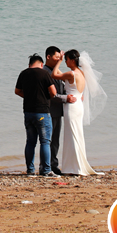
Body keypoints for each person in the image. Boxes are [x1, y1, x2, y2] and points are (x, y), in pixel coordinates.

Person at [51, 49, 107, 176]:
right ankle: (75, 166)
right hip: (78, 105)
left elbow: (54, 74)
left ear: (72, 60)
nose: (65, 61)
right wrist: (60, 63)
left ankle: (74, 167)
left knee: (72, 135)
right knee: (76, 134)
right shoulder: (80, 72)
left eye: (66, 59)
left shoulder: (71, 74)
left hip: (71, 106)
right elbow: (62, 75)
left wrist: (58, 62)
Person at [14, 54, 60, 177]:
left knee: (30, 142)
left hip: (28, 112)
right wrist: (45, 98)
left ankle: (30, 171)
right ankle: (46, 170)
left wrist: (29, 97)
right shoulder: (44, 73)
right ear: (41, 64)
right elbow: (53, 92)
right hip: (42, 111)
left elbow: (17, 91)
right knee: (45, 142)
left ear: (29, 64)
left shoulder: (23, 73)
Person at [42, 46, 75, 175]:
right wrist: (66, 98)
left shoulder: (55, 71)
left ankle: (54, 165)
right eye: (57, 57)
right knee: (48, 140)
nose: (59, 60)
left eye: (60, 58)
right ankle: (46, 166)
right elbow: (50, 94)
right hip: (49, 110)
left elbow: (62, 87)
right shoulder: (45, 72)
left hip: (58, 111)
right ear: (48, 57)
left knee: (55, 140)